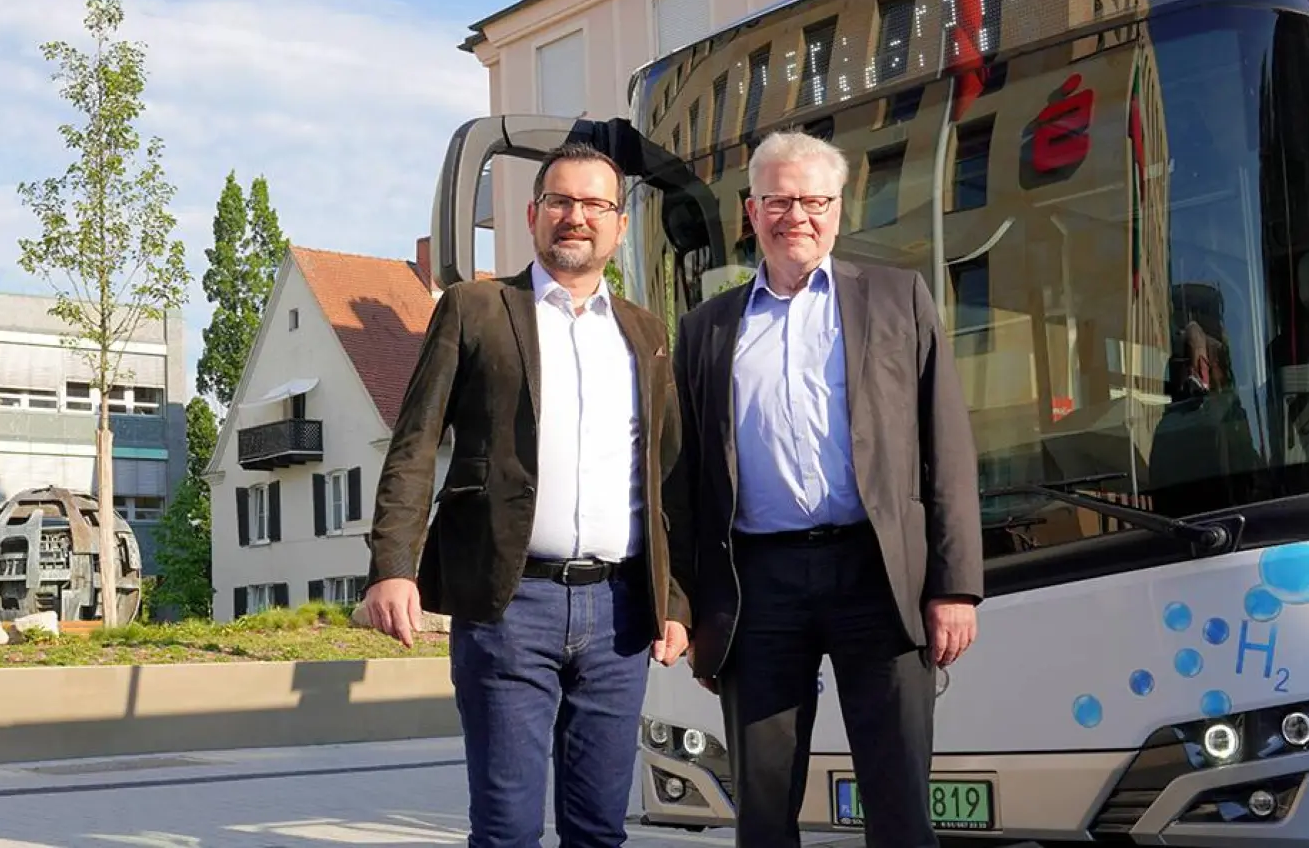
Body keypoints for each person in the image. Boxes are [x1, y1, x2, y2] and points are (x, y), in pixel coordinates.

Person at [359, 141, 692, 847]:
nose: (577, 217)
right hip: (509, 606)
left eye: (595, 204)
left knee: (599, 831)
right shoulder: (476, 308)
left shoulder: (645, 332)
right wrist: (393, 566)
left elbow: (668, 477)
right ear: (533, 214)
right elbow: (415, 442)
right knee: (507, 829)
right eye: (561, 201)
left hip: (621, 613)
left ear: (619, 224)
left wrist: (676, 601)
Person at [666, 130, 983, 847]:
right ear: (752, 212)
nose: (797, 217)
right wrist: (685, 606)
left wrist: (955, 585)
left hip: (879, 573)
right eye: (779, 201)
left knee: (899, 800)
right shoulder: (707, 328)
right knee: (762, 804)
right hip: (758, 586)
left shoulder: (898, 299)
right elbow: (683, 480)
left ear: (839, 209)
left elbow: (946, 445)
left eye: (814, 201)